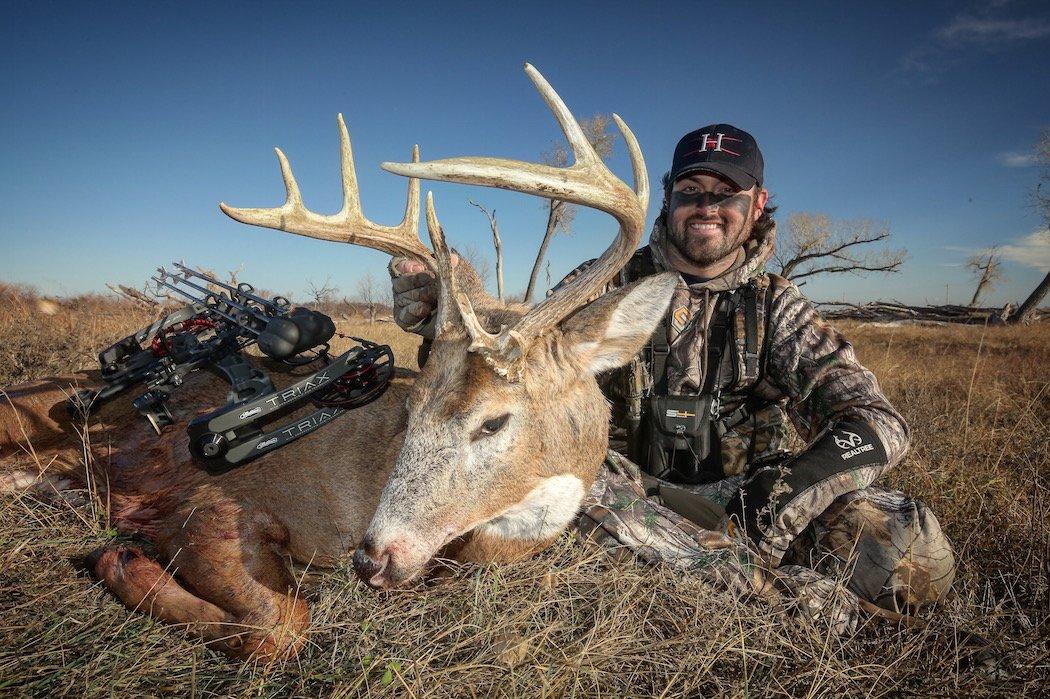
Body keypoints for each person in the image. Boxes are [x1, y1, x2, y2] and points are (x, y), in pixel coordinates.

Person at [389, 124, 955, 616]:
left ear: (756, 205)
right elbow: (509, 373)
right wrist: (448, 320)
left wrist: (786, 490)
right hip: (621, 490)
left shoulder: (777, 306)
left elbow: (878, 424)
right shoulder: (602, 284)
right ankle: (764, 593)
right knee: (557, 492)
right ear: (669, 198)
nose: (706, 205)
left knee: (909, 554)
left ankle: (711, 567)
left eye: (725, 193)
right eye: (691, 190)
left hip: (748, 497)